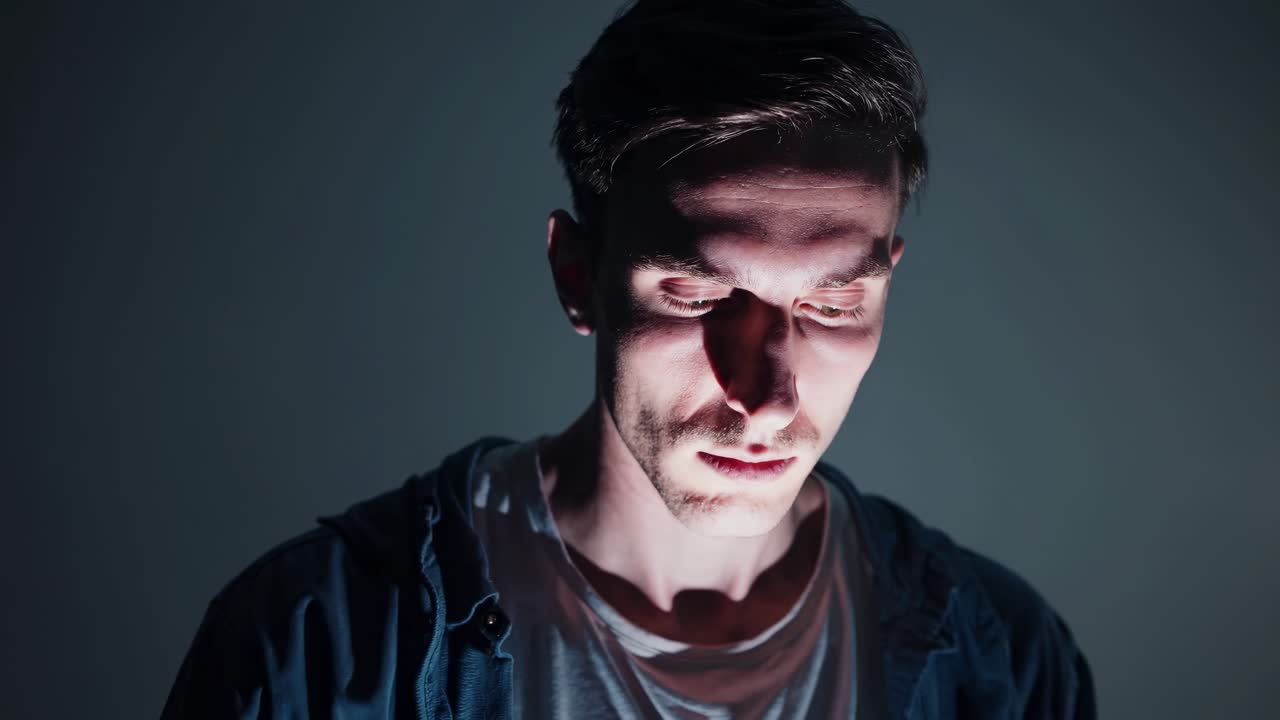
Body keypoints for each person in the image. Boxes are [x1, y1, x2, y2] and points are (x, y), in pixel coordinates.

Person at [162, 0, 1096, 717]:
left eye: (833, 302)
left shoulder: (1001, 661)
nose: (768, 397)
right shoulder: (315, 646)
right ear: (579, 275)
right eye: (696, 297)